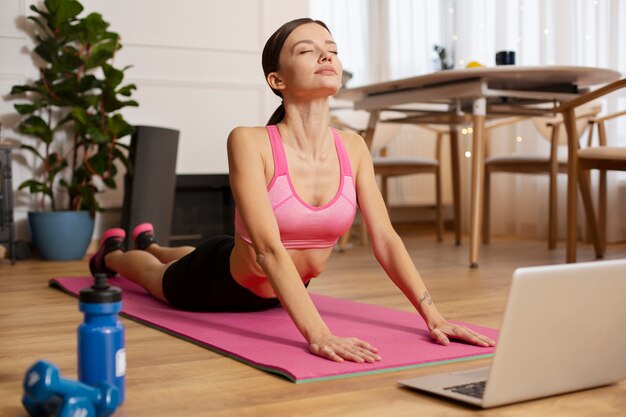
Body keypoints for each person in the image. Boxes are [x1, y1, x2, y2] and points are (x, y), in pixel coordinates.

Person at [89, 18, 495, 364]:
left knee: (190, 250)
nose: (326, 56)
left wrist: (434, 316)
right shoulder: (249, 141)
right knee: (152, 273)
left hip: (277, 285)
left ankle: (152, 241)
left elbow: (386, 239)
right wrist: (318, 334)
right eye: (307, 50)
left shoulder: (352, 147)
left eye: (331, 49)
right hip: (218, 281)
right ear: (276, 79)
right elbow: (267, 250)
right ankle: (115, 253)